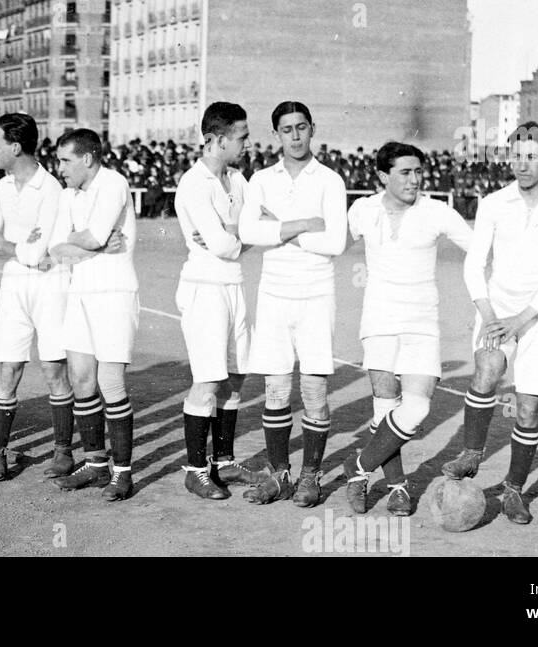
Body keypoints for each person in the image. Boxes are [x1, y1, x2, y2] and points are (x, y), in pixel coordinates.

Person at [447, 122, 538, 524]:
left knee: (526, 411)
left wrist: (521, 319)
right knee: (487, 368)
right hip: (497, 309)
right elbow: (474, 264)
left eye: (530, 157)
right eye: (515, 156)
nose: (520, 165)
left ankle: (513, 491)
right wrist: (489, 316)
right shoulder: (493, 203)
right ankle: (472, 451)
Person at [342, 142, 473, 516]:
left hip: (422, 323)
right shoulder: (362, 210)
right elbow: (330, 242)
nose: (415, 179)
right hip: (379, 320)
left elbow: (477, 248)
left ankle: (359, 467)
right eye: (405, 172)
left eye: (418, 171)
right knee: (385, 409)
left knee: (414, 408)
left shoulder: (437, 212)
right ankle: (398, 488)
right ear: (383, 176)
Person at [238, 101, 348, 507]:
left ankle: (310, 476)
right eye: (287, 130)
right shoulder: (262, 179)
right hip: (274, 293)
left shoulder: (331, 180)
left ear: (312, 129)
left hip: (317, 294)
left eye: (302, 127)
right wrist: (304, 223)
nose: (296, 136)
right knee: (276, 389)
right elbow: (248, 230)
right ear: (277, 135)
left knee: (315, 391)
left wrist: (279, 227)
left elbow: (335, 243)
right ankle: (279, 473)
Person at [0, 112, 73, 481]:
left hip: (50, 284)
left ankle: (63, 450)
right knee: (8, 368)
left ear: (15, 146)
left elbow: (40, 252)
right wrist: (12, 246)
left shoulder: (50, 189)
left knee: (53, 368)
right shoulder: (2, 188)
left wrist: (7, 245)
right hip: (14, 283)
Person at [48, 128, 140, 502]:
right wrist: (90, 244)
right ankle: (95, 463)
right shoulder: (68, 194)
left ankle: (122, 473)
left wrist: (83, 241)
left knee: (111, 382)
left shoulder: (114, 182)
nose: (61, 169)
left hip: (115, 293)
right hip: (80, 292)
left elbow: (95, 235)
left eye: (66, 161)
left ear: (87, 158)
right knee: (81, 377)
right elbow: (55, 247)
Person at [172, 102, 255, 500]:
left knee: (236, 379)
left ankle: (223, 460)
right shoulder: (193, 183)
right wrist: (234, 233)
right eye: (241, 137)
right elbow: (223, 244)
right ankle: (194, 469)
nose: (246, 144)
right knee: (207, 382)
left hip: (234, 285)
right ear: (216, 139)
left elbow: (249, 232)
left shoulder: (239, 180)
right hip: (205, 287)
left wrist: (233, 232)